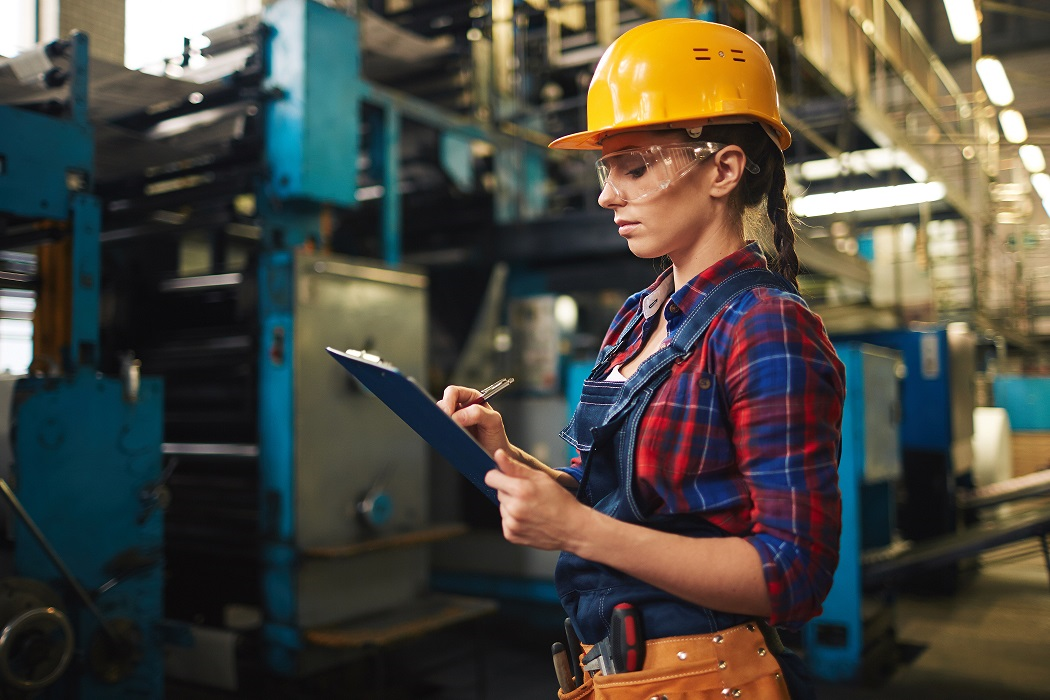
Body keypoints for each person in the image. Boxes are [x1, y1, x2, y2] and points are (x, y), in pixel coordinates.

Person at [438, 18, 845, 700]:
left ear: (723, 168)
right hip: (615, 673)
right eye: (607, 170)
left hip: (706, 679)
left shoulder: (766, 328)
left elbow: (794, 574)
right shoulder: (638, 316)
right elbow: (612, 505)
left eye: (636, 166)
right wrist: (506, 457)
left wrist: (576, 529)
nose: (607, 195)